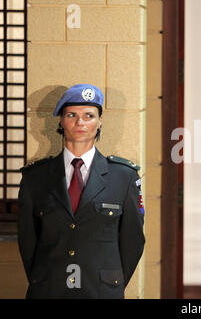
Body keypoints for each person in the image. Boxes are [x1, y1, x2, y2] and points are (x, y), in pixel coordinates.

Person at [18, 84, 145, 299]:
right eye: (71, 115)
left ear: (99, 121)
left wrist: (112, 282)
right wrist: (42, 278)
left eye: (89, 115)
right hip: (48, 290)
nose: (80, 122)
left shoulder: (124, 177)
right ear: (61, 121)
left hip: (102, 291)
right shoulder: (35, 178)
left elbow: (133, 239)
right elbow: (27, 239)